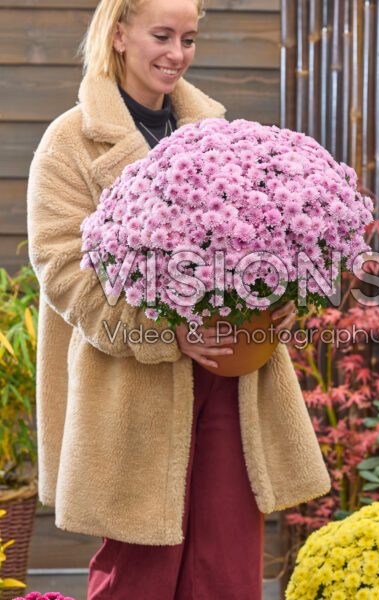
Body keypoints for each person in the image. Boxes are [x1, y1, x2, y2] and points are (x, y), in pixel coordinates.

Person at [26, 0, 331, 598]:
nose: (177, 54)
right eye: (162, 35)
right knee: (138, 570)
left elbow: (270, 235)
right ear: (118, 35)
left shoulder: (216, 133)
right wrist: (167, 334)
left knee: (227, 562)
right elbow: (64, 272)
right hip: (131, 386)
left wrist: (285, 290)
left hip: (232, 375)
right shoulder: (69, 142)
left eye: (189, 38)